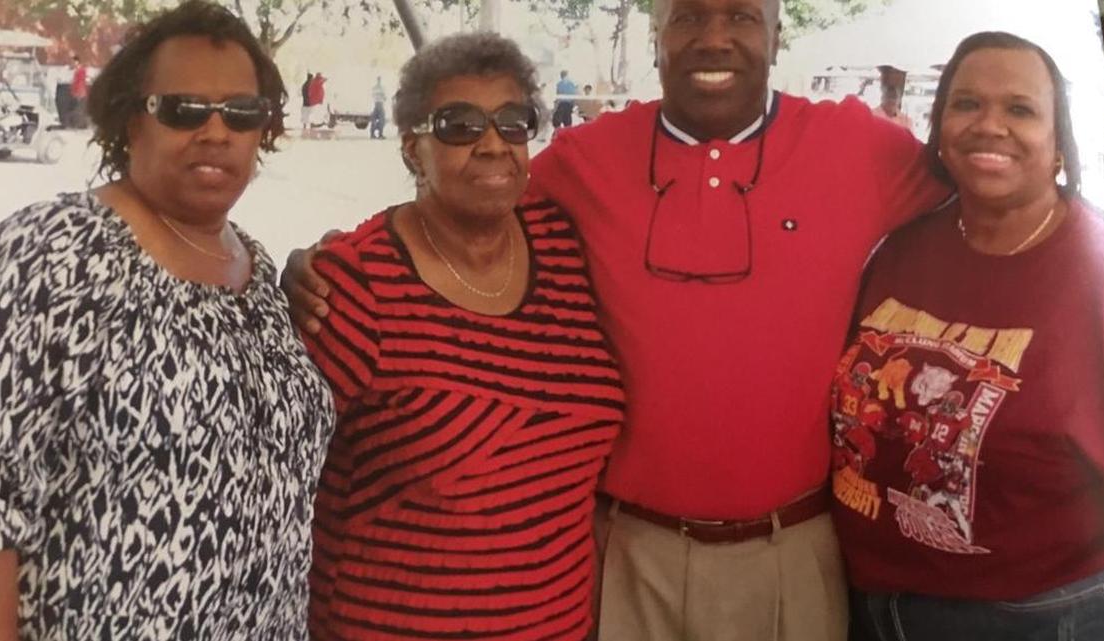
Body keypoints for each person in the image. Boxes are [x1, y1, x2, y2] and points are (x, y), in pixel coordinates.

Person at [283, 0, 948, 638]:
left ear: (777, 35)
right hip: (625, 558)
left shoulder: (862, 146)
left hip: (790, 553)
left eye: (743, 16)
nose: (714, 39)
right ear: (657, 37)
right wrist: (325, 260)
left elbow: (983, 197)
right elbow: (464, 208)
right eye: (688, 17)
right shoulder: (582, 161)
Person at [0, 2, 335, 639]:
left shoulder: (255, 268)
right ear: (130, 119)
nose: (216, 132)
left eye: (242, 112)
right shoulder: (48, 256)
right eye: (184, 109)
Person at [303, 32, 623, 641]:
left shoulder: (564, 245)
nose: (493, 143)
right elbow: (282, 474)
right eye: (459, 125)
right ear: (411, 149)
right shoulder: (357, 284)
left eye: (513, 122)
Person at [832, 31, 1104, 640]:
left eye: (1020, 109)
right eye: (967, 104)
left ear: (1059, 143)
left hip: (1039, 614)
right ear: (939, 127)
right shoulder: (899, 246)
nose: (989, 125)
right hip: (872, 602)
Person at [871, 65, 914, 132]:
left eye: (894, 98)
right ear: (882, 97)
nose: (892, 101)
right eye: (889, 98)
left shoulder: (906, 121)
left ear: (899, 100)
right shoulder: (871, 116)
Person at [69, 55, 89, 128]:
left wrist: (78, 92)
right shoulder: (77, 70)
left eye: (73, 62)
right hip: (77, 91)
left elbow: (80, 81)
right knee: (78, 108)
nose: (72, 63)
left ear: (77, 62)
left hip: (80, 91)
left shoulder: (81, 70)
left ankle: (81, 124)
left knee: (79, 108)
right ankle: (80, 124)